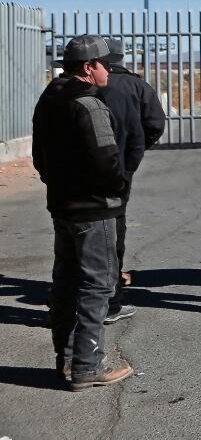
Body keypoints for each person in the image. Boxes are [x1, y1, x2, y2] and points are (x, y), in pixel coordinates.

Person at [32, 34, 135, 390]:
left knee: (65, 283)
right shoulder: (89, 104)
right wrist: (117, 188)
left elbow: (39, 158)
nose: (111, 70)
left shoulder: (49, 100)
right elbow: (107, 159)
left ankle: (67, 360)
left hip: (63, 207)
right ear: (89, 68)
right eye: (106, 64)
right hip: (94, 210)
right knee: (98, 285)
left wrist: (61, 186)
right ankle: (87, 367)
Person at [100, 37, 165, 325]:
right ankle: (111, 294)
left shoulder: (70, 85)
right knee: (114, 225)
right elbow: (155, 124)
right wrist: (132, 155)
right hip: (119, 168)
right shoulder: (136, 86)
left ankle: (71, 294)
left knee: (74, 230)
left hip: (75, 172)